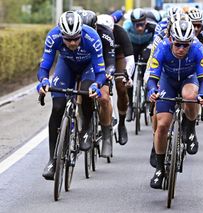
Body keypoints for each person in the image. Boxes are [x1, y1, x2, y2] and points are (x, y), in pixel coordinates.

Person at [37, 11, 106, 180]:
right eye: (68, 39)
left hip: (88, 67)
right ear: (61, 34)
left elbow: (100, 72)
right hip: (66, 65)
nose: (73, 42)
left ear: (81, 32)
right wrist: (44, 81)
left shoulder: (92, 38)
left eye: (76, 38)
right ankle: (53, 160)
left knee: (87, 91)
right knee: (58, 106)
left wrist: (97, 85)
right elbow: (44, 67)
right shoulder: (53, 37)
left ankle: (86, 129)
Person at [147, 20, 203, 189]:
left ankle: (189, 128)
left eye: (185, 45)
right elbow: (152, 79)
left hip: (189, 79)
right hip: (168, 81)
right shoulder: (161, 48)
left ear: (191, 42)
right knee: (162, 125)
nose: (181, 49)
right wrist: (152, 91)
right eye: (178, 44)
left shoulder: (198, 49)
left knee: (190, 96)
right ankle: (159, 169)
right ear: (171, 39)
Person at [77, 10, 115, 157]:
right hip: (80, 65)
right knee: (74, 93)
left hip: (100, 66)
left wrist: (109, 73)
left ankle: (106, 134)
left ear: (96, 27)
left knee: (104, 98)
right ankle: (79, 124)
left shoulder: (105, 34)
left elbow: (110, 61)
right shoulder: (74, 34)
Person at [97, 14, 135, 145]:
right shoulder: (95, 33)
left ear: (113, 29)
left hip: (118, 58)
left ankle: (122, 124)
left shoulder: (121, 33)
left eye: (110, 31)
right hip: (100, 59)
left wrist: (127, 75)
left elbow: (130, 59)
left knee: (121, 87)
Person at [123, 8, 156, 121]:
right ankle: (130, 107)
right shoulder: (126, 26)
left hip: (147, 46)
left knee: (148, 69)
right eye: (136, 25)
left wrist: (150, 47)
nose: (140, 28)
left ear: (146, 21)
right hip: (133, 47)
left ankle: (147, 95)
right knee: (129, 76)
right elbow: (123, 39)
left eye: (142, 24)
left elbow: (157, 39)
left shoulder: (153, 26)